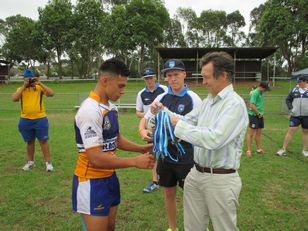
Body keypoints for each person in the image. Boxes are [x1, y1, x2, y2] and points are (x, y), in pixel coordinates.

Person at [151, 51, 248, 231]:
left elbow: (214, 138)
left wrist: (176, 125)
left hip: (221, 179)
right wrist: (163, 111)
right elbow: (186, 120)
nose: (203, 82)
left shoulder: (234, 104)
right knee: (193, 227)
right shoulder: (208, 101)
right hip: (195, 175)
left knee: (223, 228)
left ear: (224, 76)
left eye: (206, 77)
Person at [72, 58, 155, 231]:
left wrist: (140, 148)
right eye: (120, 86)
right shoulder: (89, 110)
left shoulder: (111, 108)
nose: (123, 91)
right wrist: (134, 161)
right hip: (91, 181)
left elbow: (115, 139)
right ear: (104, 81)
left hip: (110, 177)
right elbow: (95, 158)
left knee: (110, 226)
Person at [139, 59, 201, 231]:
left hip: (186, 155)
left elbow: (201, 129)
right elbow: (145, 120)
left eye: (176, 74)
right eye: (169, 75)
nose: (173, 79)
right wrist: (143, 132)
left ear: (184, 75)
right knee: (168, 192)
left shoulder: (194, 99)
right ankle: (172, 228)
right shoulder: (161, 97)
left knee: (192, 196)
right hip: (165, 155)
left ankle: (197, 227)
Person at [12, 69, 55, 172]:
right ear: (24, 80)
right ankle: (30, 162)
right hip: (25, 119)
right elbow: (14, 98)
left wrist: (40, 83)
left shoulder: (39, 88)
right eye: (27, 79)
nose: (29, 82)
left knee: (43, 141)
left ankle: (48, 163)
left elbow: (51, 93)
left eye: (30, 79)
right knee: (29, 141)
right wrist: (24, 86)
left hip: (40, 119)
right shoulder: (21, 89)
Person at [136, 67, 168, 193]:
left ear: (155, 77)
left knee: (166, 152)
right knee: (153, 154)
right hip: (150, 129)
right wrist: (147, 116)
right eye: (147, 78)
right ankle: (155, 182)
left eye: (151, 77)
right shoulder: (141, 94)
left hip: (165, 127)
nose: (149, 80)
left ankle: (167, 178)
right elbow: (138, 112)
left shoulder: (164, 90)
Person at [277, 76, 308, 157]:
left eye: (300, 82)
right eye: (298, 82)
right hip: (295, 115)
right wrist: (291, 108)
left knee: (306, 132)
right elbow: (288, 100)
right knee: (291, 130)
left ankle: (304, 150)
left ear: (305, 81)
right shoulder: (294, 90)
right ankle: (283, 149)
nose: (298, 83)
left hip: (306, 116)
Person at [246, 81, 271, 157]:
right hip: (254, 115)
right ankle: (249, 150)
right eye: (265, 89)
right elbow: (252, 105)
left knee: (259, 133)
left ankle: (258, 149)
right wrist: (258, 113)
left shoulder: (261, 93)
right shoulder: (255, 93)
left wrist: (260, 114)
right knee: (250, 134)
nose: (266, 91)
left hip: (260, 115)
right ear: (261, 87)